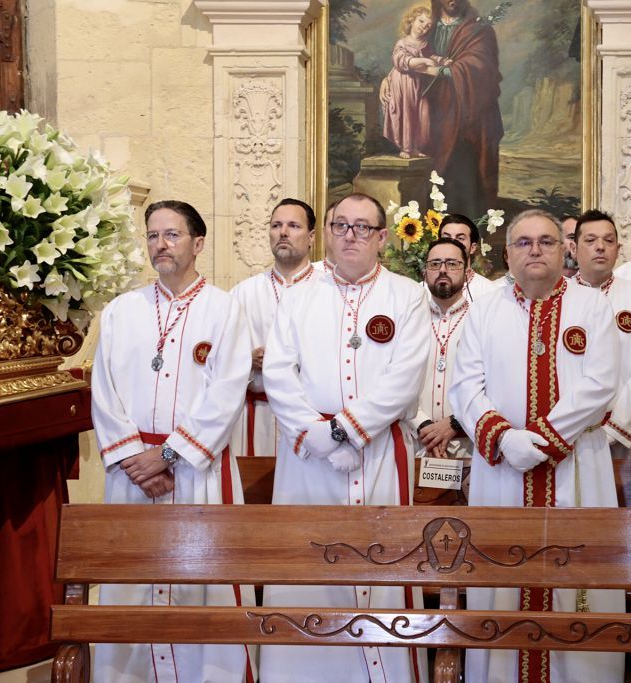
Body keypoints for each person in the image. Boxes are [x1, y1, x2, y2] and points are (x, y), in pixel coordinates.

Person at [259, 192, 430, 682]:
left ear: (382, 237)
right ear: (327, 233)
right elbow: (278, 372)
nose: (350, 235)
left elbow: (404, 376)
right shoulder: (298, 294)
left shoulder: (406, 294)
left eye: (362, 227)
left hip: (378, 453)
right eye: (340, 226)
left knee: (384, 571)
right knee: (305, 570)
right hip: (306, 460)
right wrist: (316, 435)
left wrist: (345, 430)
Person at [449, 208, 623, 683]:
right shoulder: (483, 310)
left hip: (577, 466)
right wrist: (506, 438)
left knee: (578, 581)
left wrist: (542, 441)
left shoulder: (591, 306)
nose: (535, 250)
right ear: (506, 254)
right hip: (502, 471)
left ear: (564, 249)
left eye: (545, 241)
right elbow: (464, 386)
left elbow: (602, 382)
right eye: (523, 243)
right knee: (501, 584)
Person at [90, 200, 253, 682]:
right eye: (153, 235)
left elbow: (227, 392)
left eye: (172, 235)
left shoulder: (225, 310)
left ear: (198, 243)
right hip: (133, 478)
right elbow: (104, 390)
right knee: (131, 583)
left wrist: (165, 456)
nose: (160, 244)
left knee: (205, 589)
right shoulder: (122, 311)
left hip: (195, 473)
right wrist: (133, 459)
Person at [230, 198, 317, 461]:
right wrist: (247, 361)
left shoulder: (329, 289)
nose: (283, 232)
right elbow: (217, 361)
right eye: (276, 225)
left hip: (313, 416)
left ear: (311, 236)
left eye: (293, 225)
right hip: (259, 417)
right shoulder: (242, 294)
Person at [571, 209, 631, 458]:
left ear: (618, 248)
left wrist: (618, 428)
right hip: (571, 434)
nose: (600, 247)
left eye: (608, 240)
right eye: (591, 240)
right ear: (573, 248)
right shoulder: (557, 299)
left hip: (628, 434)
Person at [427, 0, 503, 218]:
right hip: (433, 113)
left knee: (464, 173)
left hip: (470, 115)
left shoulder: (478, 30)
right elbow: (408, 56)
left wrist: (444, 72)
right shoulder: (427, 26)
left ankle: (470, 233)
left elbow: (483, 67)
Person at [416, 237, 473, 458]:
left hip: (469, 446)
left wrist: (454, 423)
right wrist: (424, 426)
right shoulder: (410, 319)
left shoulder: (481, 320)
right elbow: (396, 379)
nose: (442, 270)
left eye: (452, 264)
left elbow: (493, 383)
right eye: (435, 264)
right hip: (418, 444)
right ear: (425, 272)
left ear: (468, 272)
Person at [382, 5, 442, 158]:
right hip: (402, 83)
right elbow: (401, 61)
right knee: (407, 113)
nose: (424, 27)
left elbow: (432, 56)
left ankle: (415, 147)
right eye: (421, 21)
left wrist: (441, 60)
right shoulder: (402, 43)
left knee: (421, 114)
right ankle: (405, 148)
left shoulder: (425, 44)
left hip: (418, 84)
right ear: (411, 20)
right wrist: (424, 60)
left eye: (428, 25)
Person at [438, 212, 499, 301]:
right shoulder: (422, 291)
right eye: (446, 237)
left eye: (460, 238)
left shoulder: (491, 292)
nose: (453, 243)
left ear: (472, 248)